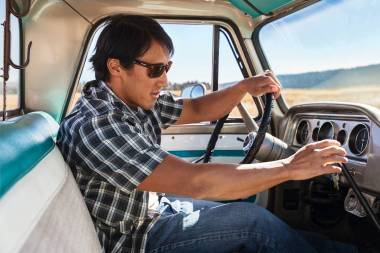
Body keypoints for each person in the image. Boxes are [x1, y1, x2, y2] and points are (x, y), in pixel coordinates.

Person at [57, 15, 357, 253]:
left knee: (249, 218)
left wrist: (243, 88)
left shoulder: (133, 103)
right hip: (134, 239)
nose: (165, 79)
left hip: (152, 209)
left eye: (167, 67)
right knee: (253, 224)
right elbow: (196, 182)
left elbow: (198, 109)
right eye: (155, 69)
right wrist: (290, 167)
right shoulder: (98, 125)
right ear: (116, 66)